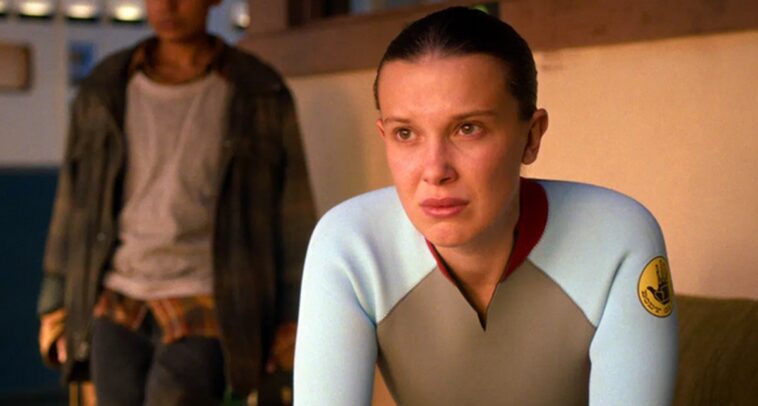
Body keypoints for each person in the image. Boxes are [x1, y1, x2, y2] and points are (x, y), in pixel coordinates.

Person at [294, 6, 677, 405]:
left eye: (468, 128)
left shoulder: (616, 238)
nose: (435, 170)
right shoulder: (350, 244)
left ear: (532, 137)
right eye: (405, 133)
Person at [36, 0, 316, 403]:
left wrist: (293, 313)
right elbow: (74, 199)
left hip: (209, 295)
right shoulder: (105, 86)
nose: (167, 5)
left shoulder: (258, 91)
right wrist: (55, 301)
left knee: (175, 393)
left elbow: (293, 211)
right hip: (117, 292)